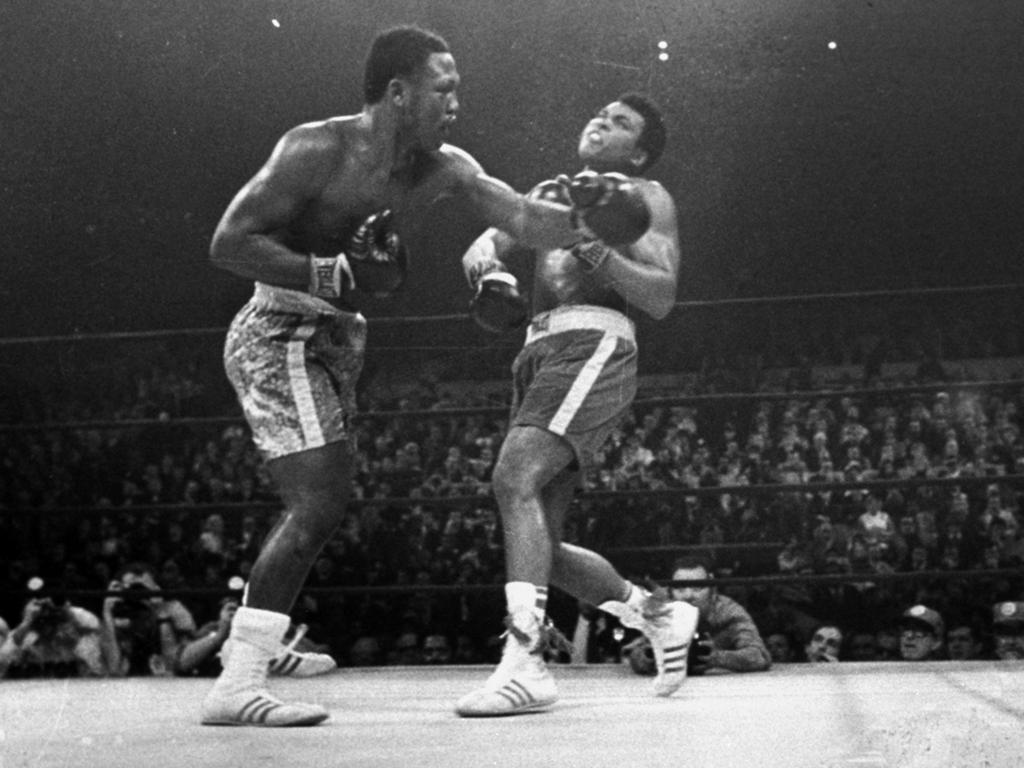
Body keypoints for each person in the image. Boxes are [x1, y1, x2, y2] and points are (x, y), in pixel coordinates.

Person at [201, 24, 648, 727]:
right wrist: (335, 271)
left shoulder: (442, 166)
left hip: (338, 335)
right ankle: (240, 677)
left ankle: (257, 636)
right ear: (399, 92)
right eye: (445, 88)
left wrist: (593, 219)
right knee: (317, 500)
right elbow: (229, 243)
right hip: (279, 329)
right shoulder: (316, 147)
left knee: (323, 496)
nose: (456, 103)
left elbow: (525, 217)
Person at [455, 92, 700, 717]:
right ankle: (661, 615)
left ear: (638, 151)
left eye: (621, 124)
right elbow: (481, 246)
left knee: (513, 479)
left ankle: (524, 661)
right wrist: (491, 272)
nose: (601, 122)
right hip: (538, 351)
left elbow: (662, 296)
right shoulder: (550, 190)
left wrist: (595, 245)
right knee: (544, 544)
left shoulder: (647, 197)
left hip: (597, 341)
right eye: (600, 114)